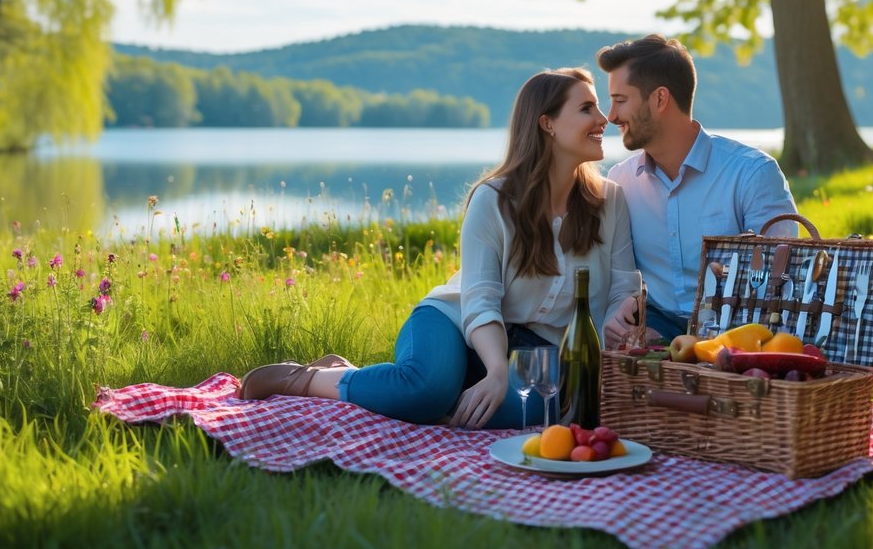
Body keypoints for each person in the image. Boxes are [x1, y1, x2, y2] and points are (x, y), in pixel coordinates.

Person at [236, 68, 641, 429]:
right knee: (426, 390)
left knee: (541, 408)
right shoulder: (494, 199)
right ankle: (309, 378)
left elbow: (623, 288)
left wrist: (624, 314)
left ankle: (415, 394)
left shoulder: (611, 202)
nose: (603, 119)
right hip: (455, 317)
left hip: (538, 349)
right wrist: (497, 371)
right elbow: (480, 299)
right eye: (587, 109)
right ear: (547, 124)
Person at [596, 34, 798, 347]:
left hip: (739, 333)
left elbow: (779, 278)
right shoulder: (622, 180)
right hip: (657, 333)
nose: (611, 116)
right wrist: (622, 315)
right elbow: (617, 276)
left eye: (620, 100)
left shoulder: (752, 173)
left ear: (660, 99)